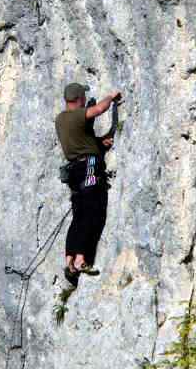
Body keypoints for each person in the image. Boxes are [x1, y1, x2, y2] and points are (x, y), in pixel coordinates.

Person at [55, 83, 121, 285]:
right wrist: (111, 97)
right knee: (92, 210)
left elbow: (80, 141)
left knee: (78, 214)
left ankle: (69, 260)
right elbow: (99, 109)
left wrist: (99, 143)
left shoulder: (60, 119)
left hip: (74, 171)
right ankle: (81, 259)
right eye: (83, 96)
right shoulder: (76, 115)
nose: (85, 99)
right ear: (78, 99)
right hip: (90, 165)